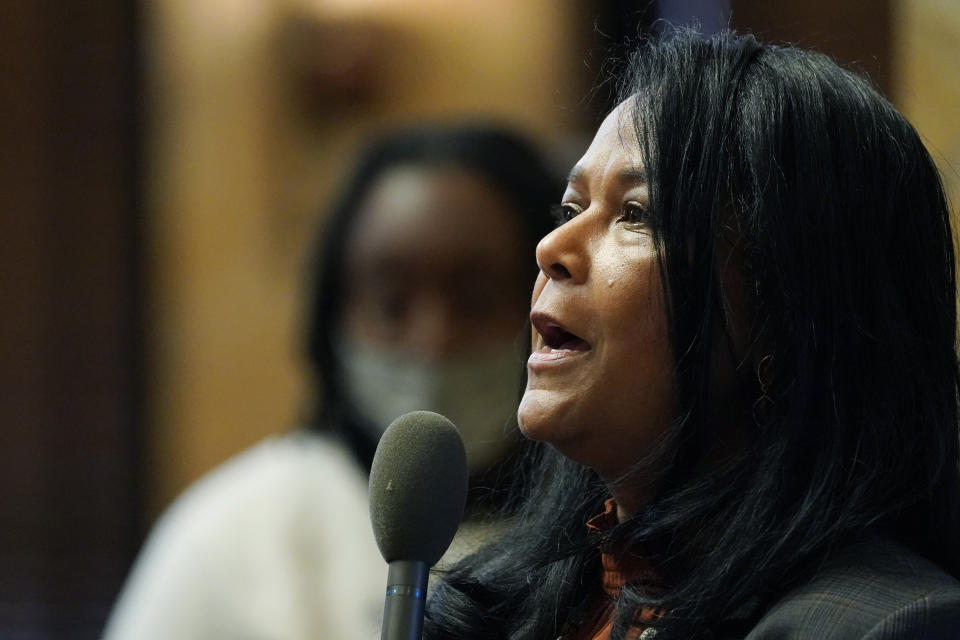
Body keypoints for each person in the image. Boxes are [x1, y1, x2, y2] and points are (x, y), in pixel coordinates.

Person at [423, 30, 960, 640]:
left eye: (636, 214)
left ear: (780, 309)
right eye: (571, 210)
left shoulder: (882, 626)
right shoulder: (490, 610)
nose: (551, 249)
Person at [102, 123, 557, 640]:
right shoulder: (229, 536)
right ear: (334, 316)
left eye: (475, 299)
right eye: (390, 303)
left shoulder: (607, 537)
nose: (432, 340)